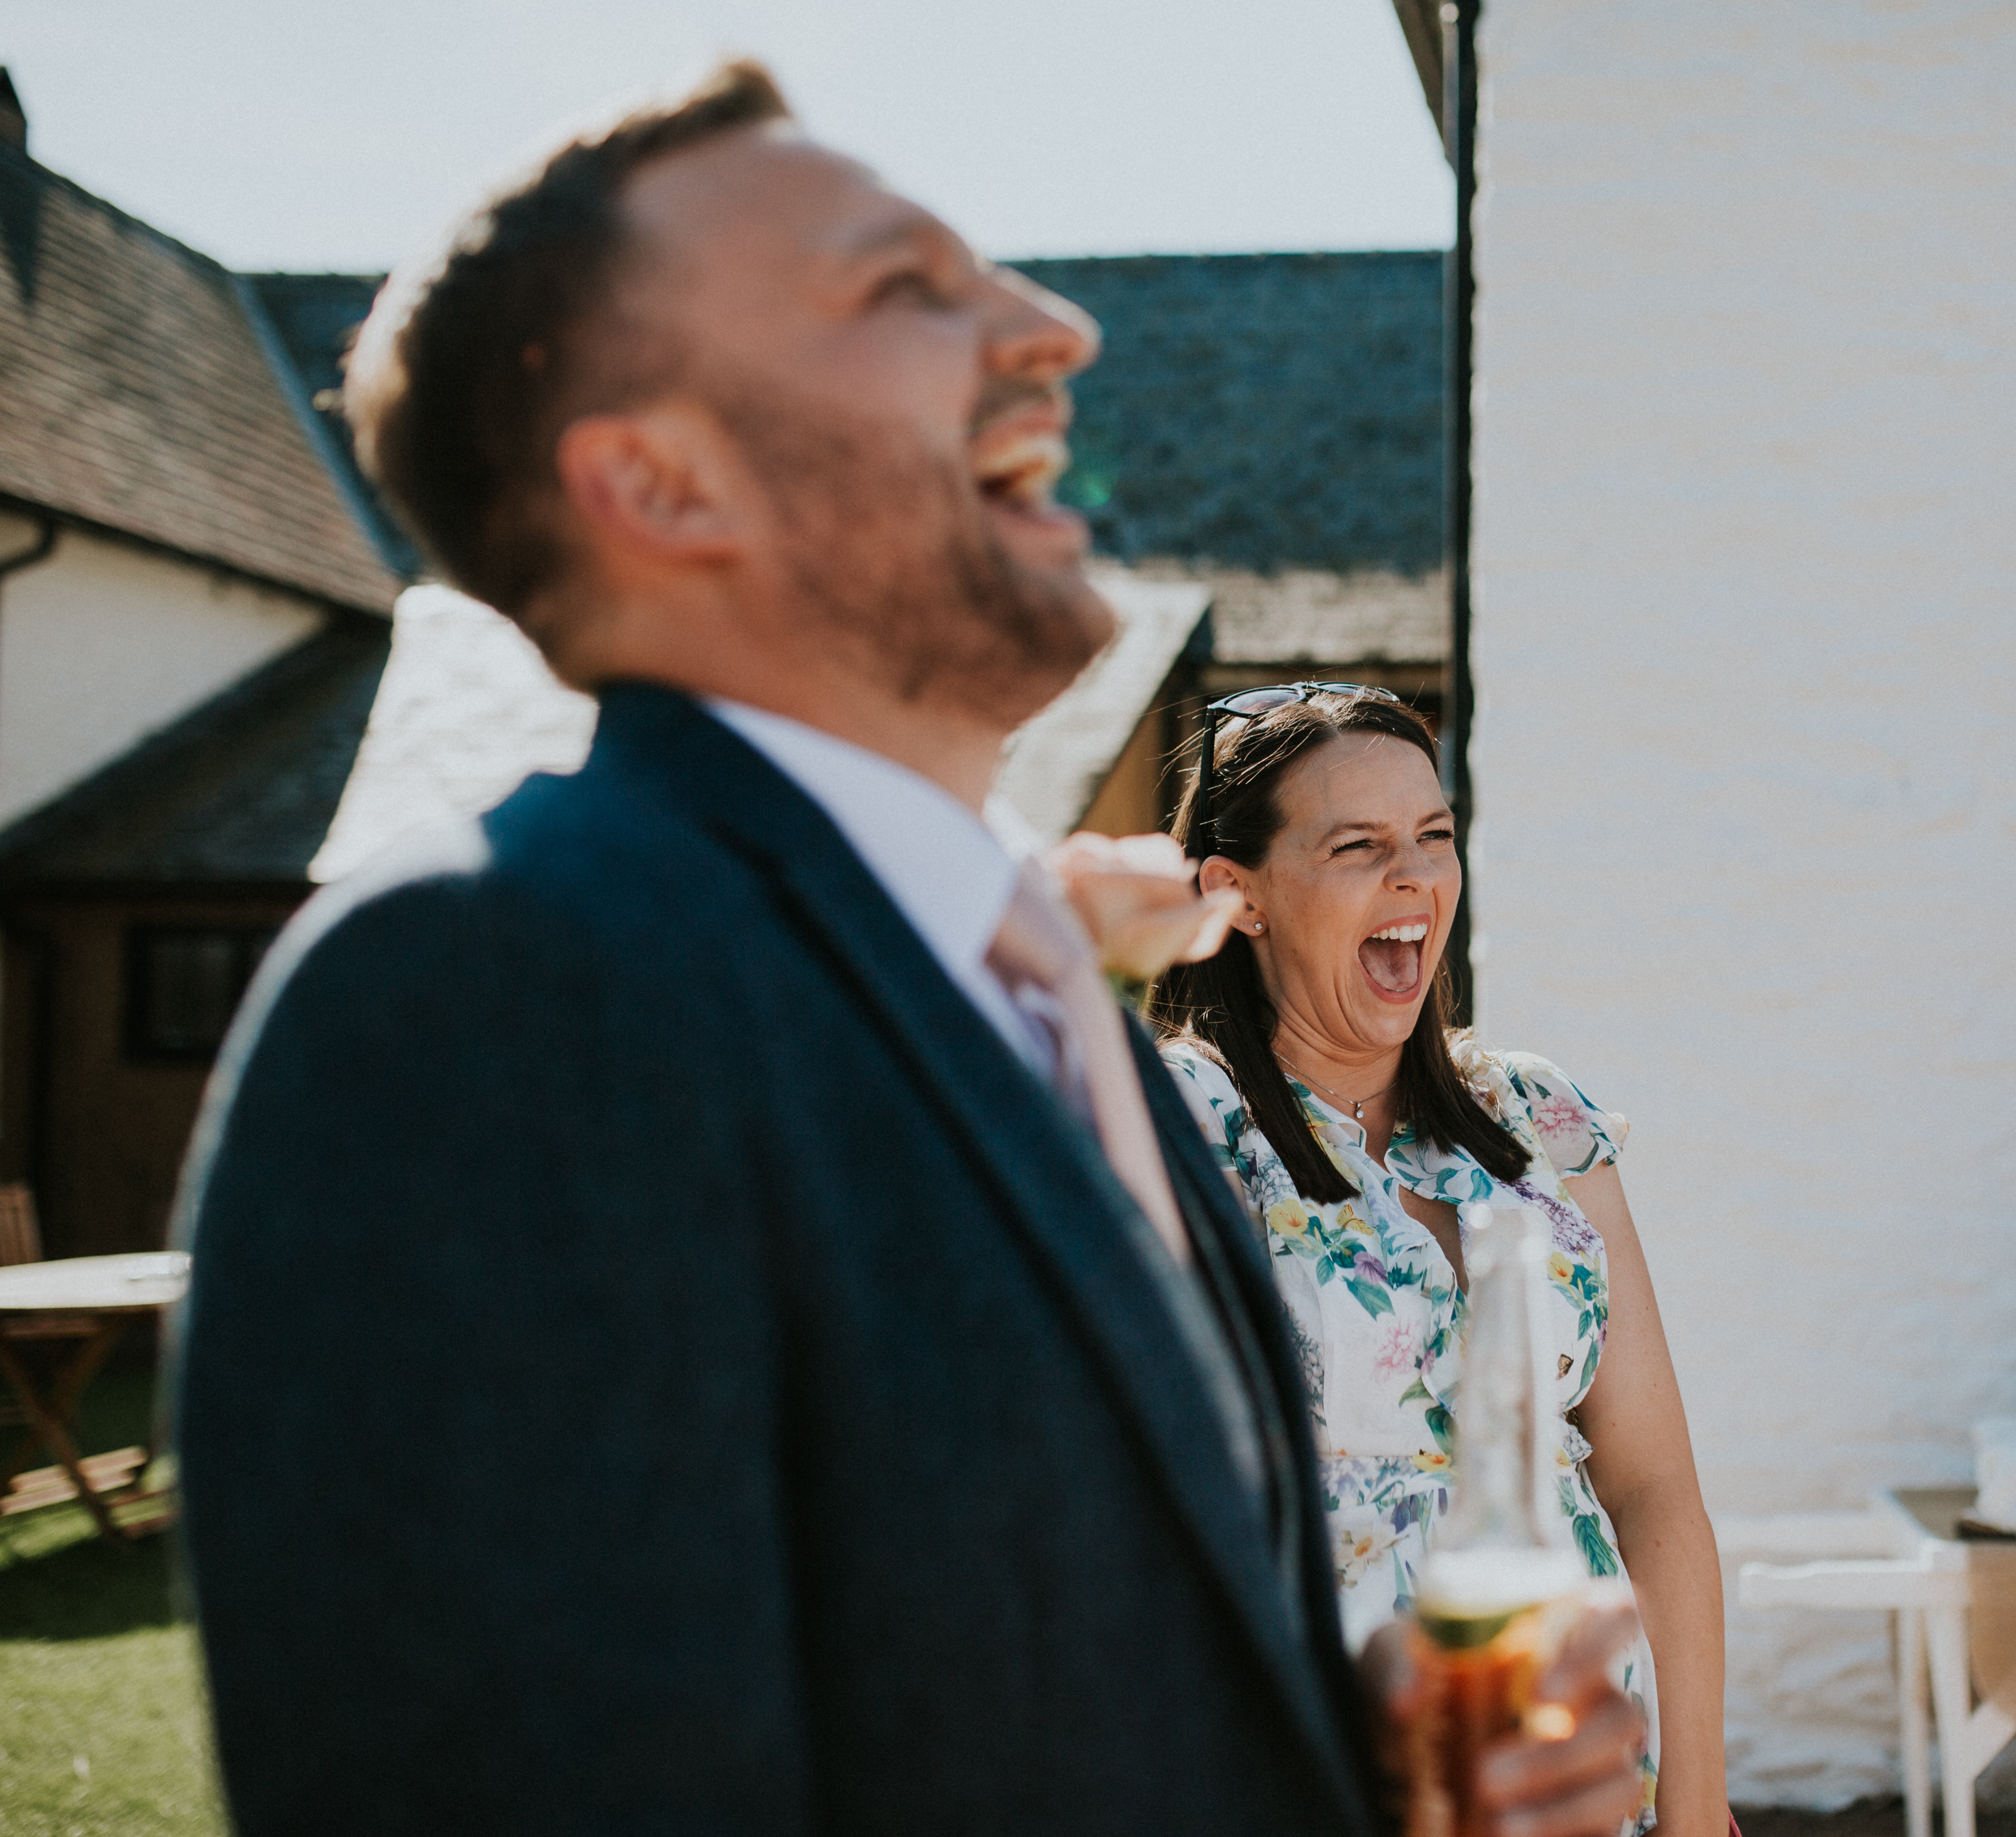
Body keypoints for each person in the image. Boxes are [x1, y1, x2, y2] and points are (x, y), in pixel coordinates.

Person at [170, 63, 1646, 1835]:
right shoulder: (493, 996)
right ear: (659, 481)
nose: (1054, 330)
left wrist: (1364, 1768)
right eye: (901, 290)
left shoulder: (1032, 1004)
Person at [1144, 686, 1727, 1837]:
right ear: (1238, 894)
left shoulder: (1537, 1117)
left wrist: (1699, 1807)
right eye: (1358, 846)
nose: (1414, 877)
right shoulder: (1175, 1122)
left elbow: (1651, 1483)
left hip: (1585, 1776)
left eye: (1435, 835)